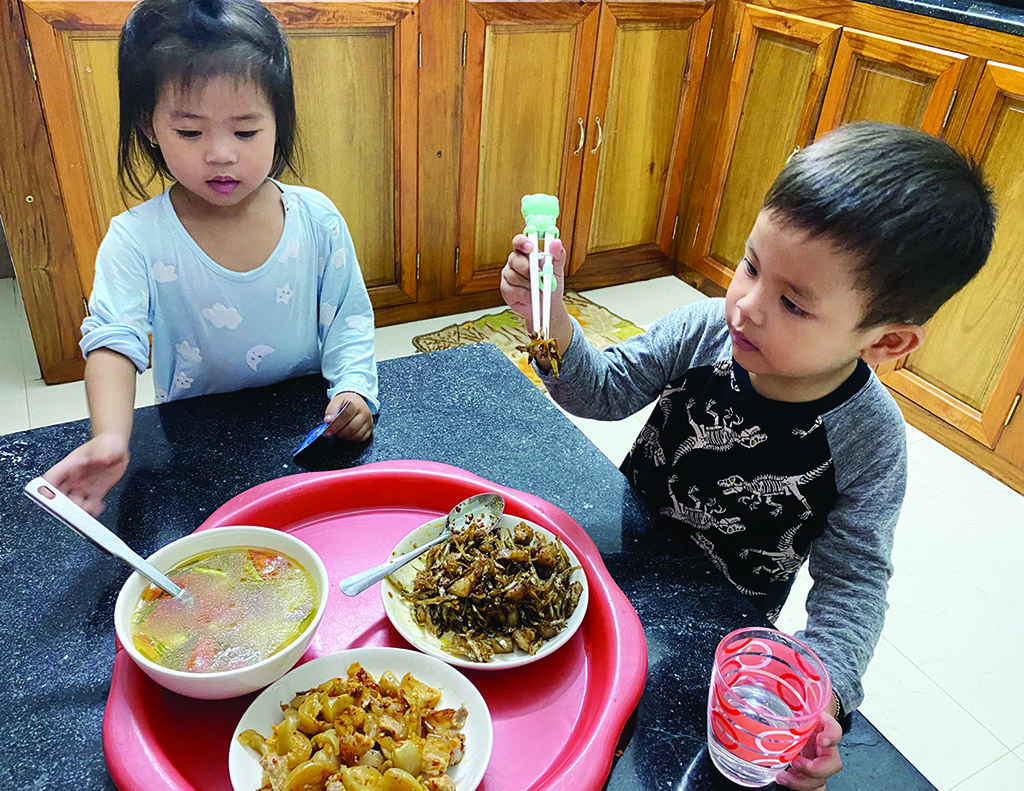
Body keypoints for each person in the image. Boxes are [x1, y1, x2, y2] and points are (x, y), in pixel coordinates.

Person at [500, 122, 995, 790]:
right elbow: (604, 387)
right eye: (751, 264)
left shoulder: (868, 437)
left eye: (792, 302)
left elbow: (854, 585)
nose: (747, 307)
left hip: (721, 624)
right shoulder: (706, 328)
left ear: (887, 340)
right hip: (613, 562)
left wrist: (825, 698)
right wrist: (549, 316)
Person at [44, 0, 378, 517]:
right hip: (196, 445)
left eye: (245, 131)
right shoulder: (136, 238)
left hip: (307, 433)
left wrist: (354, 389)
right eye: (190, 132)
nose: (221, 154)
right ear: (149, 127)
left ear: (277, 122)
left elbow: (348, 320)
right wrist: (110, 437)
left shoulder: (317, 219)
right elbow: (114, 339)